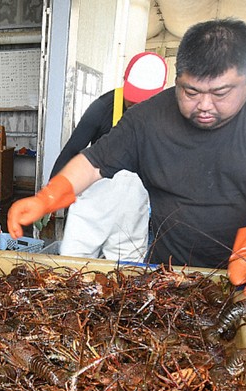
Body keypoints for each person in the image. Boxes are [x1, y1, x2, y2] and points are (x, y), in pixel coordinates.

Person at [8, 18, 246, 362]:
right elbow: (94, 161)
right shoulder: (149, 117)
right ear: (176, 76)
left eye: (221, 92)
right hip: (169, 272)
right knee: (160, 357)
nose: (205, 106)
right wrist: (47, 197)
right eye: (191, 91)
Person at [50, 52, 167, 261]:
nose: (136, 105)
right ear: (125, 79)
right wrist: (52, 192)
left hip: (131, 213)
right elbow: (71, 149)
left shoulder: (168, 113)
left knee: (127, 274)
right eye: (133, 97)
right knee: (72, 266)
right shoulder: (104, 107)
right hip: (93, 210)